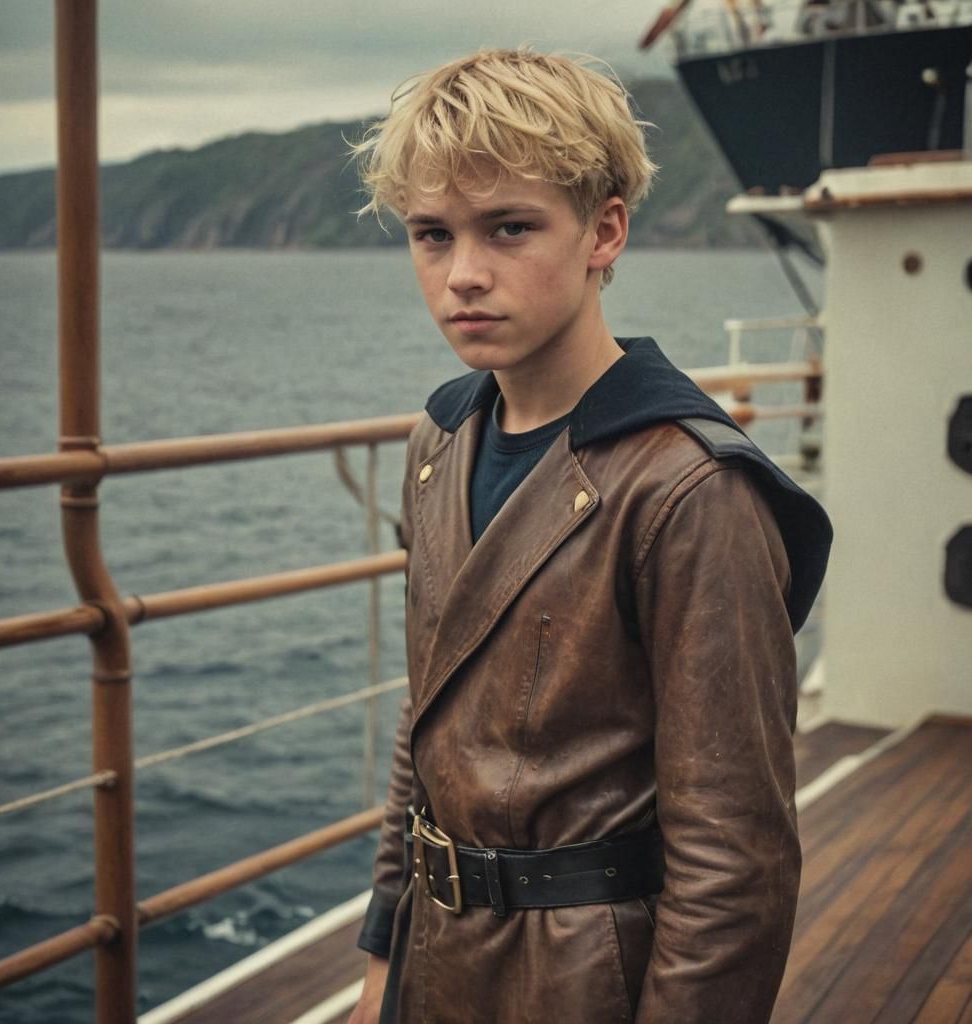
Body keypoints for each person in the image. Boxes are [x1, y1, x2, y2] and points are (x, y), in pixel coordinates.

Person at [346, 47, 832, 1024]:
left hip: (586, 976)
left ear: (603, 230)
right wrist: (380, 960)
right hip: (436, 963)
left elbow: (735, 858)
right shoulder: (439, 443)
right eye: (432, 234)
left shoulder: (689, 489)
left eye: (510, 227)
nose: (463, 274)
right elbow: (429, 726)